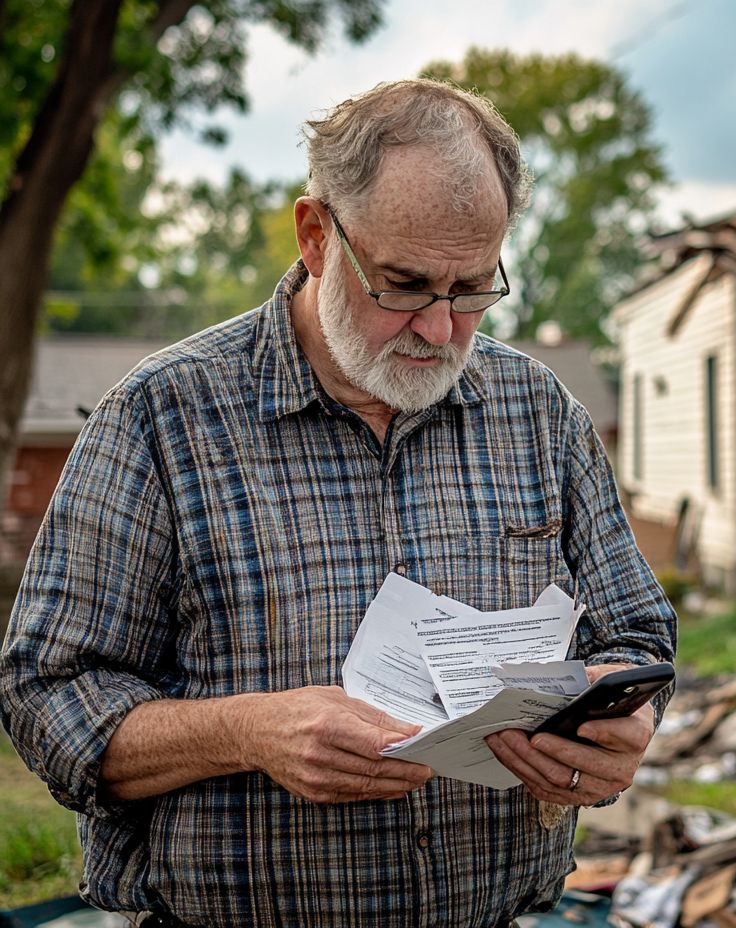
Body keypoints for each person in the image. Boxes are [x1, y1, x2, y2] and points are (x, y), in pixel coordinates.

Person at [0, 79, 676, 927]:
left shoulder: (538, 413)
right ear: (316, 236)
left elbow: (638, 633)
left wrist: (620, 717)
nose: (439, 329)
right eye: (403, 285)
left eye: (471, 289)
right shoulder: (163, 418)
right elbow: (44, 694)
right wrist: (247, 731)